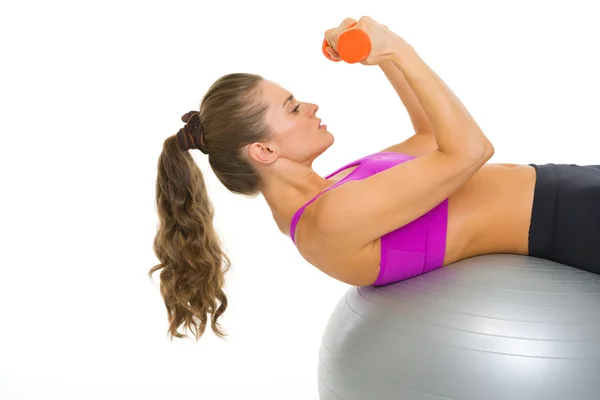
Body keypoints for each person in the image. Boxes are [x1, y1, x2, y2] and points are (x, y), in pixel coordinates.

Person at [150, 16, 600, 341]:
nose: (310, 106)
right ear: (264, 151)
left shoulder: (335, 186)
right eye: (291, 107)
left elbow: (430, 136)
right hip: (570, 221)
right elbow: (470, 149)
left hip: (568, 191)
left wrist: (379, 57)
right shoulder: (329, 220)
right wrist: (398, 49)